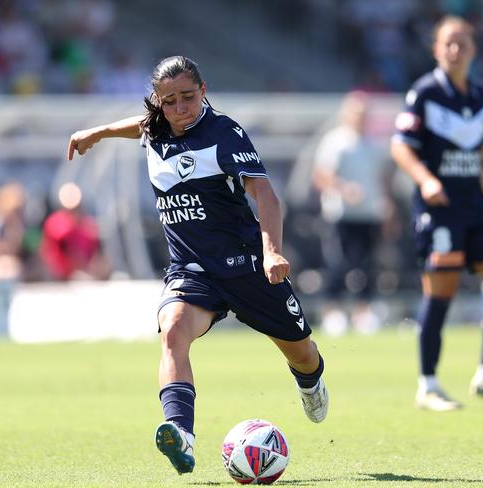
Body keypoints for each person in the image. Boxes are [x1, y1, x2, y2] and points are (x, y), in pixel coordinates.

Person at [67, 56, 328, 474]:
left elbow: (264, 194)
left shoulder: (225, 133)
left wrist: (272, 250)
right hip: (191, 269)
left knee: (302, 354)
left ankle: (310, 379)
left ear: (203, 90)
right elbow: (141, 124)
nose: (180, 108)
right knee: (171, 332)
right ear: (158, 101)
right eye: (169, 101)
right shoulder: (156, 126)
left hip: (247, 266)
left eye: (188, 97)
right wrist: (96, 133)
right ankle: (181, 433)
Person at [390, 16, 483, 411]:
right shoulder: (424, 93)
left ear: (473, 49)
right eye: (448, 43)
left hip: (477, 210)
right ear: (436, 49)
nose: (455, 50)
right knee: (441, 293)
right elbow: (400, 146)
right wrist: (426, 179)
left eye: (462, 43)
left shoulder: (481, 97)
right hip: (440, 213)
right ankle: (428, 385)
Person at [311, 90, 394, 331]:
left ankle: (363, 312)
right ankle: (333, 312)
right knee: (337, 263)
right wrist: (344, 189)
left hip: (370, 213)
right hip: (340, 213)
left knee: (368, 265)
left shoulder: (374, 144)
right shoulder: (335, 141)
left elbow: (383, 178)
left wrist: (387, 205)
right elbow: (321, 176)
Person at [39, 182, 110, 281]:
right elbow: (59, 251)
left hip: (83, 274)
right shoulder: (55, 225)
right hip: (60, 276)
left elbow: (95, 252)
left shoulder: (87, 226)